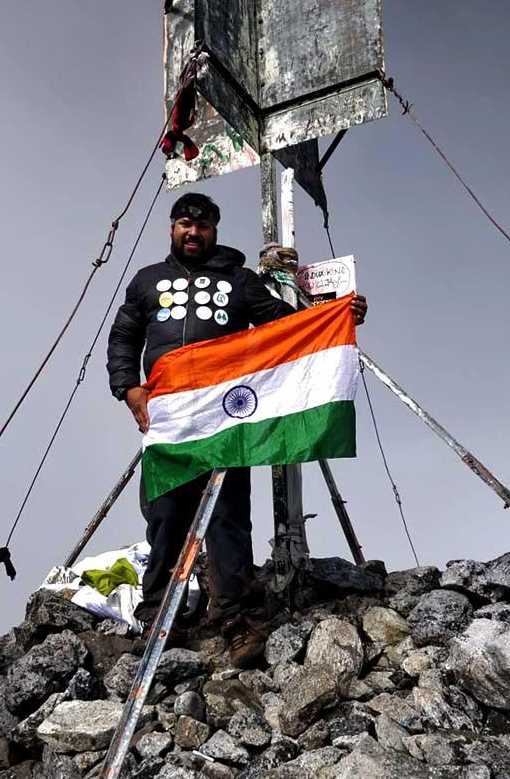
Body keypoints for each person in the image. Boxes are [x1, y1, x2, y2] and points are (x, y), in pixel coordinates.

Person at [107, 192, 367, 666]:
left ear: (215, 231)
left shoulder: (239, 281)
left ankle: (235, 618)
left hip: (226, 420)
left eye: (202, 226)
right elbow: (123, 336)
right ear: (172, 228)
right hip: (168, 420)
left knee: (227, 517)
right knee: (165, 516)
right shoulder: (148, 282)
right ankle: (159, 617)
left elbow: (279, 323)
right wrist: (128, 388)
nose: (193, 232)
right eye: (185, 224)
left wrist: (335, 317)